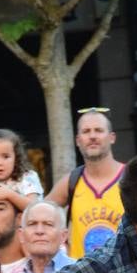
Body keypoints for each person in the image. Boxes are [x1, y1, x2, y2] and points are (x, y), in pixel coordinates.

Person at [46, 108, 126, 258]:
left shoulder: (131, 178)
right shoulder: (71, 181)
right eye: (86, 131)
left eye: (99, 130)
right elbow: (39, 215)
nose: (93, 136)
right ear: (78, 140)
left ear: (112, 137)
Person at [2, 200, 74, 273]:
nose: (39, 231)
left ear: (63, 236)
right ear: (21, 235)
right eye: (32, 224)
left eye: (48, 224)